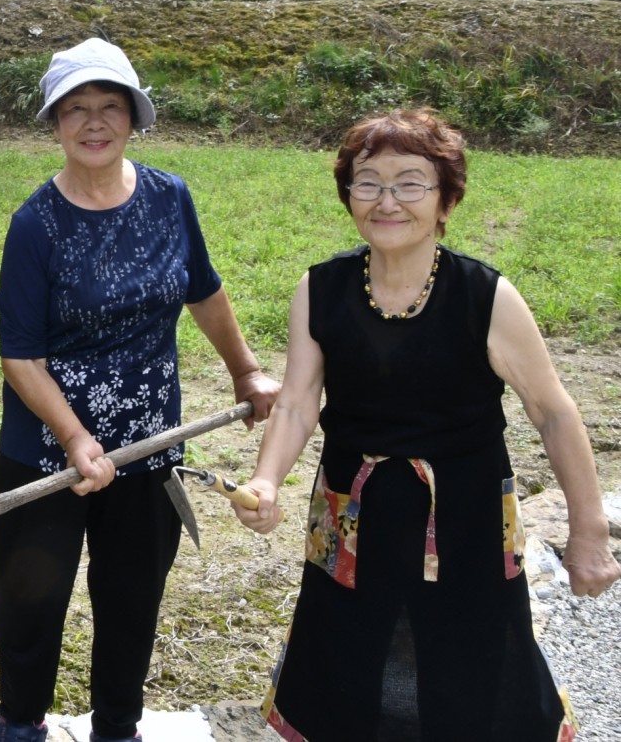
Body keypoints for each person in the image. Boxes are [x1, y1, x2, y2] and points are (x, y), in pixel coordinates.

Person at [232, 109, 619, 741]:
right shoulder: (321, 289)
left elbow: (553, 412)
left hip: (465, 520)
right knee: (349, 663)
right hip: (352, 517)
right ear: (348, 193)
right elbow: (299, 402)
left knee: (473, 669)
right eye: (368, 182)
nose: (388, 201)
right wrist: (267, 480)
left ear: (446, 199)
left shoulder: (486, 296)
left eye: (411, 183)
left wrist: (589, 532)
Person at [0, 38, 280, 742]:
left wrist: (244, 369)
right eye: (77, 110)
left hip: (150, 448)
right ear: (56, 123)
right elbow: (21, 358)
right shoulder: (35, 225)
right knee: (34, 604)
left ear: (133, 117)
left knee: (131, 601)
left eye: (109, 107)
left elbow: (203, 292)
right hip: (48, 456)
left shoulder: (168, 197)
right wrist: (75, 439)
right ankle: (21, 727)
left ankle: (118, 728)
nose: (94, 123)